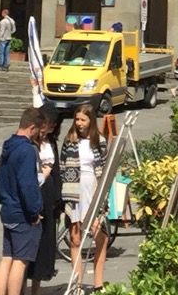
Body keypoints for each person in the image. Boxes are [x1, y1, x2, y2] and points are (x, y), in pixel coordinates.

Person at [0, 107, 45, 295]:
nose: (37, 136)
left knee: (6, 257)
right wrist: (34, 212)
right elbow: (28, 185)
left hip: (7, 208)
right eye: (38, 132)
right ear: (32, 128)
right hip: (21, 212)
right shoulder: (26, 150)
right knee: (20, 260)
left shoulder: (8, 145)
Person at [61, 104, 109, 292]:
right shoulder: (69, 140)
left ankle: (98, 281)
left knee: (101, 236)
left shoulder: (100, 141)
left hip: (92, 188)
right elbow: (64, 166)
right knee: (75, 238)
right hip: (74, 190)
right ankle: (77, 283)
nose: (79, 123)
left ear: (91, 121)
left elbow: (104, 167)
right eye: (77, 119)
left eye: (83, 119)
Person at [26, 106, 62, 294]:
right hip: (34, 193)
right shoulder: (29, 144)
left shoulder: (52, 143)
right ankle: (22, 286)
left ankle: (36, 288)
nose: (46, 128)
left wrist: (58, 197)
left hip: (49, 196)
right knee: (29, 244)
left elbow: (56, 172)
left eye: (51, 125)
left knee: (45, 244)